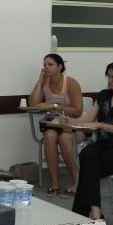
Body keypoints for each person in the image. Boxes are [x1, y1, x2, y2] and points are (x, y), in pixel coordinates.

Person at [68, 60, 113, 220]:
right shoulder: (104, 95)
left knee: (88, 167)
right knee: (86, 154)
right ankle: (95, 212)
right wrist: (69, 121)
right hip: (104, 145)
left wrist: (102, 125)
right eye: (108, 76)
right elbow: (88, 120)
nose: (109, 81)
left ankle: (86, 215)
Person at [28, 53, 84, 198]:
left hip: (73, 124)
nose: (46, 67)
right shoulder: (45, 82)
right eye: (44, 65)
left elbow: (78, 111)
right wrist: (40, 81)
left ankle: (77, 180)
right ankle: (55, 183)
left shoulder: (70, 83)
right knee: (49, 136)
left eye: (50, 64)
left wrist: (55, 106)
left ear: (60, 67)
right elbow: (33, 104)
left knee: (64, 139)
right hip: (53, 123)